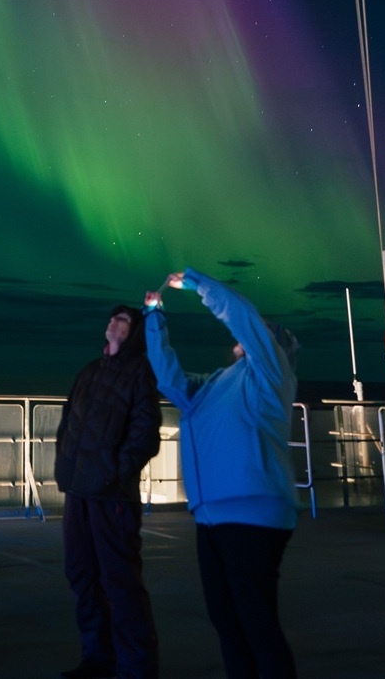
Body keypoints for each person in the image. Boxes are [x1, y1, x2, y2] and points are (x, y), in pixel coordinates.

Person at [142, 268, 300, 679]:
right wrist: (154, 319)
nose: (250, 336)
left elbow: (242, 315)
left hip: (254, 513)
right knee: (227, 623)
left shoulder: (270, 372)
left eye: (261, 334)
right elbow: (168, 378)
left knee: (256, 622)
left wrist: (197, 284)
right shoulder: (214, 385)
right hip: (211, 516)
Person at [55, 305, 162, 679]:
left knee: (120, 581)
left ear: (132, 333)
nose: (116, 323)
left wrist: (113, 474)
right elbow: (68, 420)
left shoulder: (140, 373)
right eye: (113, 318)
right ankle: (97, 659)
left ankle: (136, 666)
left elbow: (146, 435)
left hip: (111, 495)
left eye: (125, 321)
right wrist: (65, 467)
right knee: (81, 573)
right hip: (79, 491)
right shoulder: (90, 371)